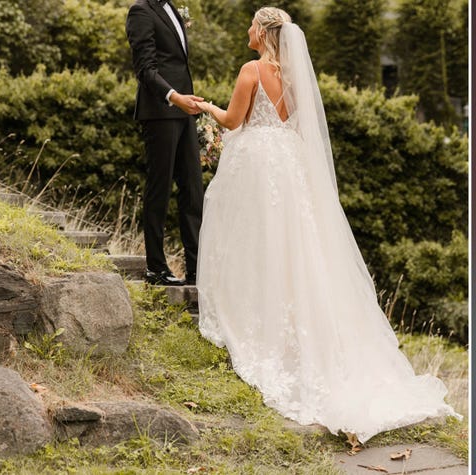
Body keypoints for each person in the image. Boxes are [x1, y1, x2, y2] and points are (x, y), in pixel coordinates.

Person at [196, 7, 460, 444]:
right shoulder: (295, 76)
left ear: (263, 31)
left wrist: (205, 106)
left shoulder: (251, 70)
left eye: (252, 24)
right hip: (289, 164)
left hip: (258, 165)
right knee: (296, 248)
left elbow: (232, 120)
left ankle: (257, 323)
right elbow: (301, 126)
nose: (247, 30)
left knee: (257, 243)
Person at [126, 0, 204, 286]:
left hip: (185, 112)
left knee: (193, 190)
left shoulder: (172, 9)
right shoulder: (141, 11)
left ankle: (196, 269)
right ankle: (156, 268)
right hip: (160, 111)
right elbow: (145, 69)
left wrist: (187, 102)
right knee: (159, 189)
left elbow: (177, 63)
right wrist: (174, 97)